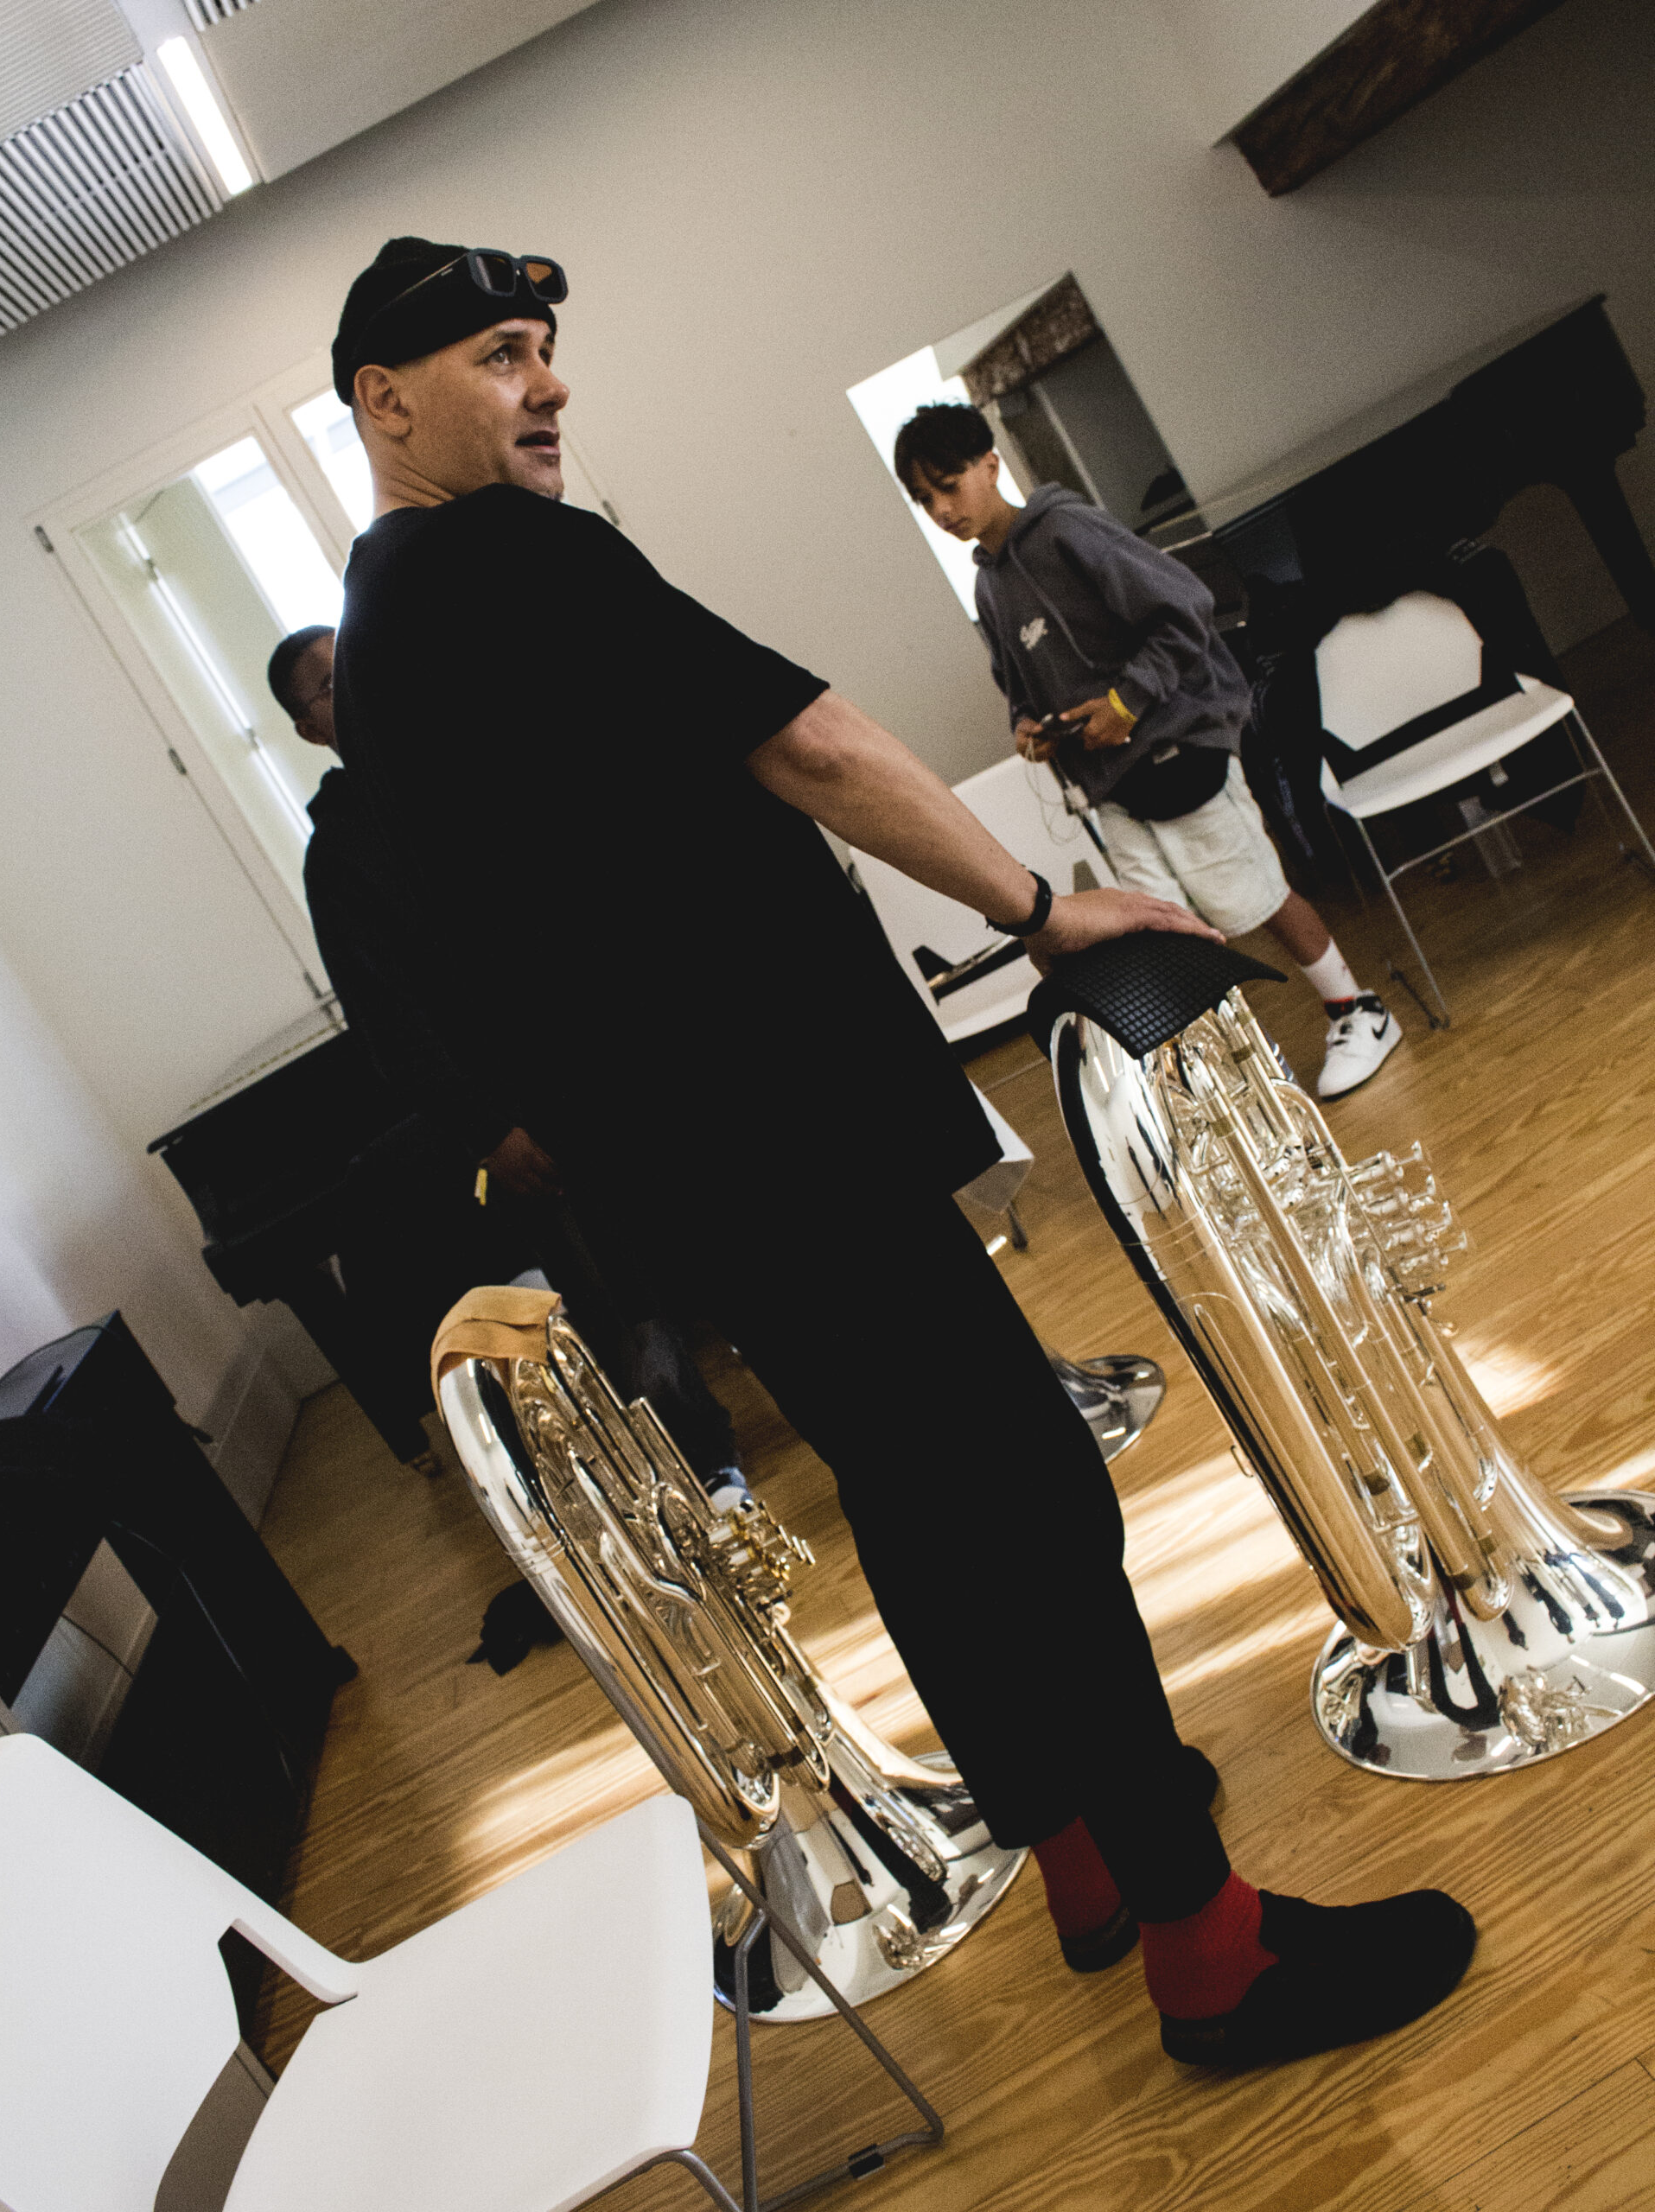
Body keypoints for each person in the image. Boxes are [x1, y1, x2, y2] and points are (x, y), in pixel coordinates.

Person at [324, 235, 1475, 2069]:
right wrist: (1037, 904)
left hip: (693, 1164)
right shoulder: (513, 556)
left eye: (543, 347)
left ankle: (1084, 1854)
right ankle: (1213, 1947)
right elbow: (809, 742)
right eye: (499, 358)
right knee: (1027, 1493)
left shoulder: (385, 626)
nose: (548, 384)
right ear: (385, 402)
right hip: (788, 1125)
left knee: (922, 1499)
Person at [267, 620, 750, 1515]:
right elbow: (389, 1019)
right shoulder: (336, 858)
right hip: (522, 1106)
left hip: (600, 1059)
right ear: (308, 728)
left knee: (698, 1232)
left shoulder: (449, 769)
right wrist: (486, 1129)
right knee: (613, 1291)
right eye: (331, 684)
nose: (357, 684)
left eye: (356, 662)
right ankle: (706, 1468)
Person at [893, 403, 1403, 1103]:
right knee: (1158, 927)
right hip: (1112, 786)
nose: (942, 510)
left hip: (1181, 749)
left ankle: (1357, 1011)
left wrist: (1127, 703)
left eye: (948, 486)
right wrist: (1027, 727)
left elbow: (1186, 606)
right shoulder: (989, 584)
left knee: (1252, 893)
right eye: (924, 500)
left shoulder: (1068, 529)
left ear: (991, 465)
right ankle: (1227, 1077)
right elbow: (1017, 686)